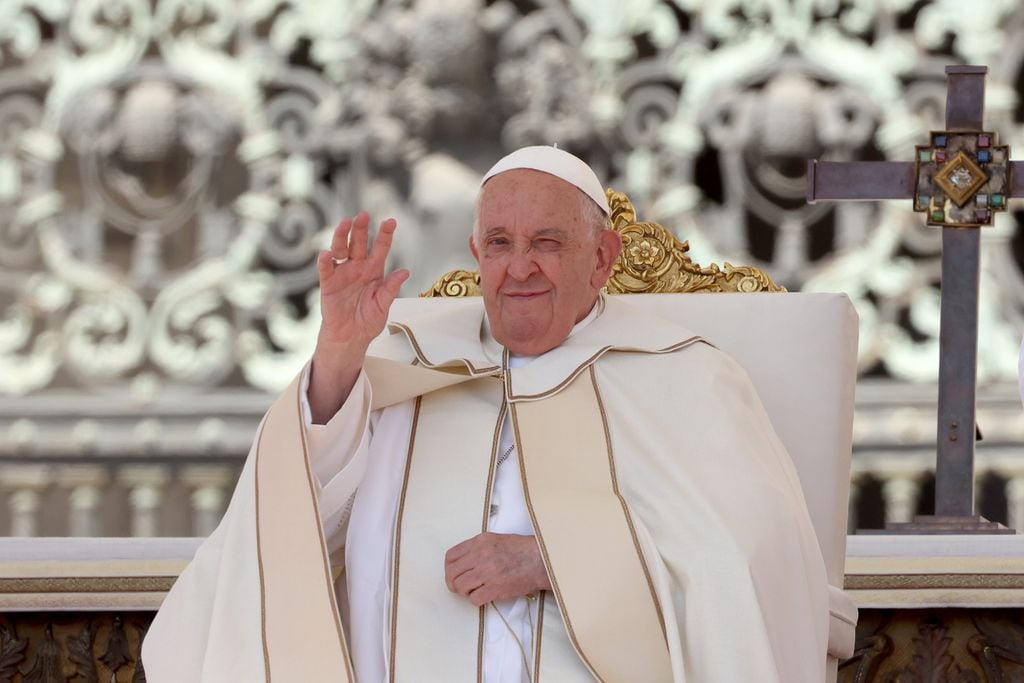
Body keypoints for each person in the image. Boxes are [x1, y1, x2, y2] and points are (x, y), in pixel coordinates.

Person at [142, 146, 830, 682]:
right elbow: (292, 515)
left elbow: (753, 564)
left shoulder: (683, 374)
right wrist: (339, 354)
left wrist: (557, 561)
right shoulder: (406, 364)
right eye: (499, 243)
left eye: (548, 243)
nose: (519, 267)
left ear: (602, 258)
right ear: (476, 255)